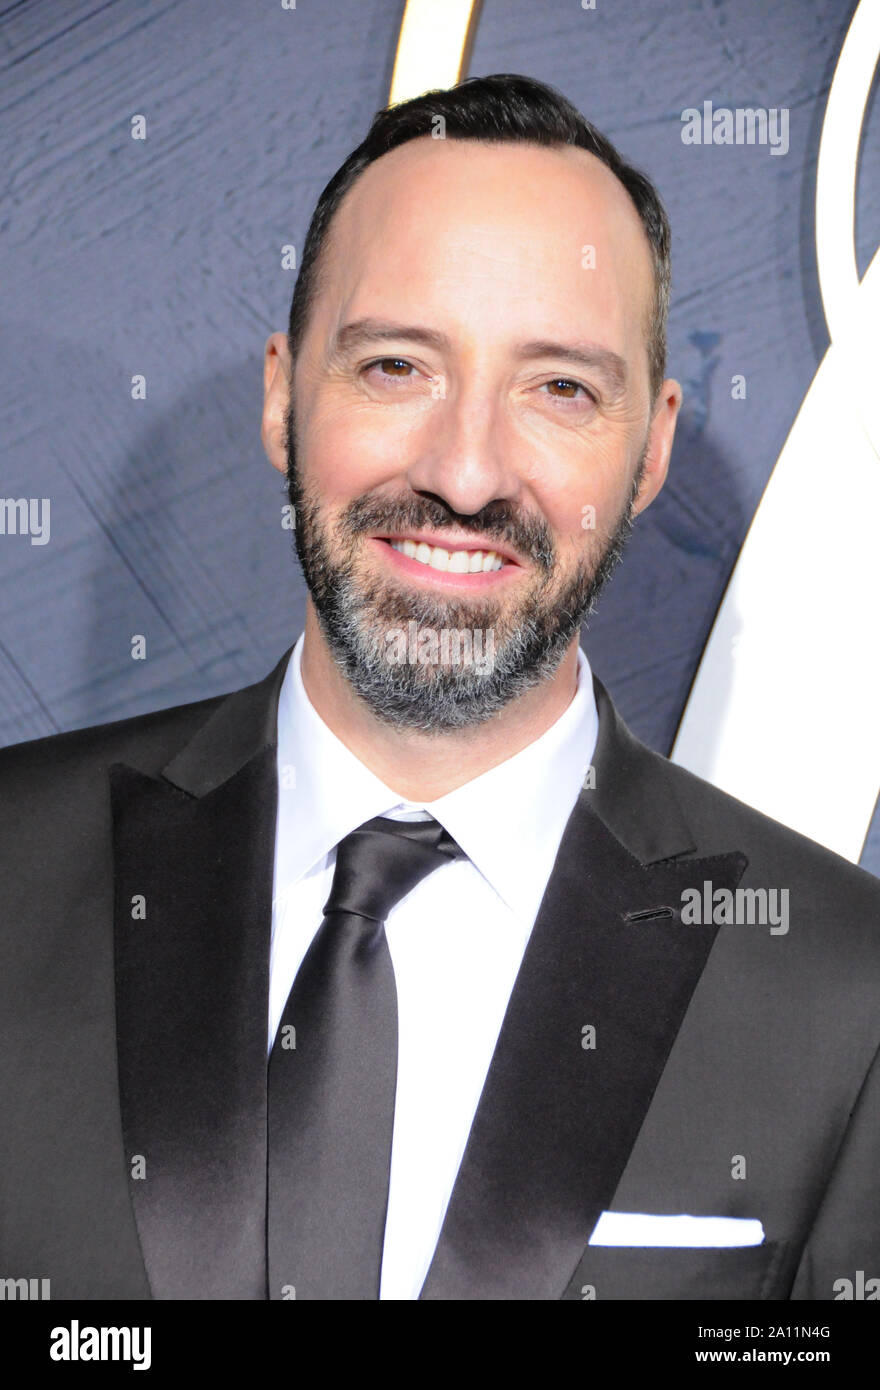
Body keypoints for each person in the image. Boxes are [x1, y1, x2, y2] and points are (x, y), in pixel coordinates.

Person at [1, 74, 879, 1303]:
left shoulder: (850, 998)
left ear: (653, 448)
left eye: (559, 388)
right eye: (397, 365)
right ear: (281, 391)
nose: (465, 472)